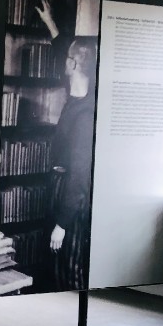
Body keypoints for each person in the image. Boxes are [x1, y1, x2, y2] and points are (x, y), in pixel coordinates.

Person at [49, 37, 97, 290]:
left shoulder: (85, 114)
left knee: (70, 265)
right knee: (59, 262)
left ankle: (73, 317)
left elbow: (80, 175)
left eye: (68, 57)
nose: (63, 62)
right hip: (62, 188)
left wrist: (62, 224)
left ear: (75, 63)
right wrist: (52, 27)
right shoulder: (76, 97)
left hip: (72, 197)